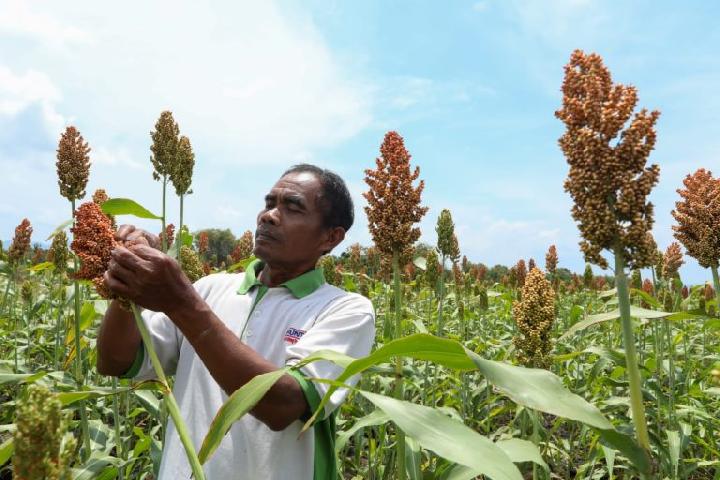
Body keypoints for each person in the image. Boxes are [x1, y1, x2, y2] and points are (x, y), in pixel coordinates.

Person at [97, 164, 375, 479]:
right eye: (269, 203)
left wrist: (181, 303)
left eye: (293, 207)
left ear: (330, 237)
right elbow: (115, 362)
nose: (268, 215)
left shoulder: (343, 309)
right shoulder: (209, 289)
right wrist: (127, 286)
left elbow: (282, 406)